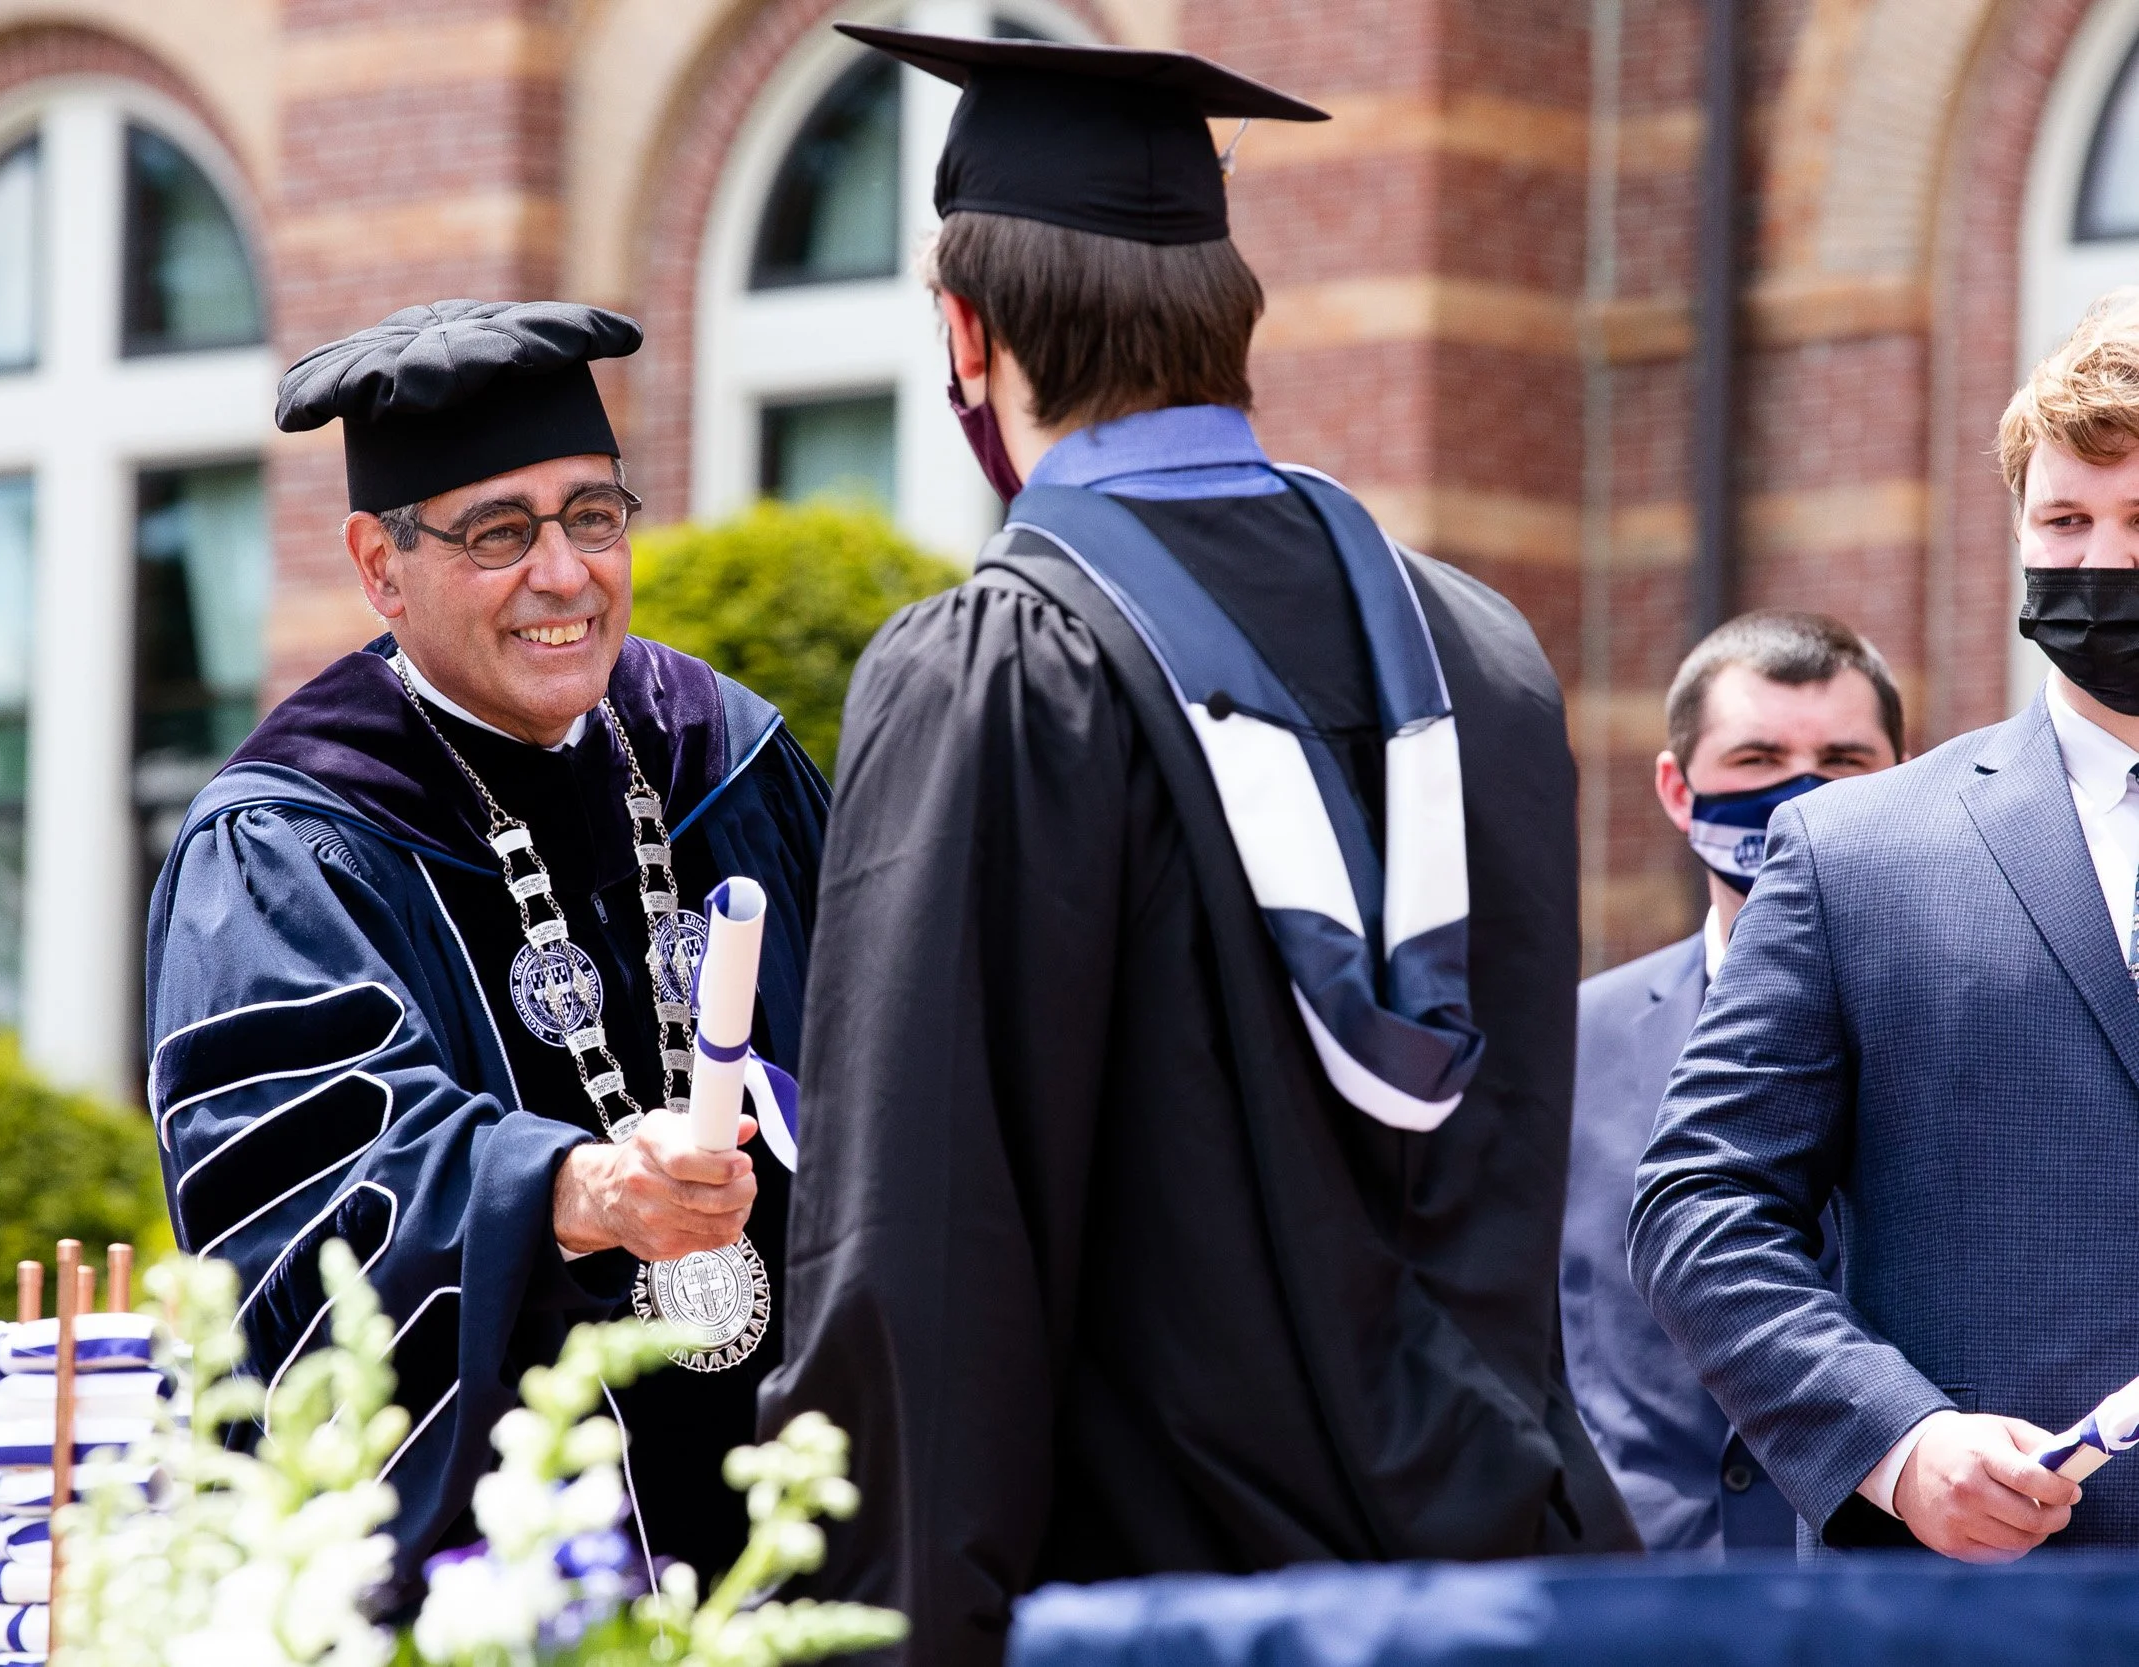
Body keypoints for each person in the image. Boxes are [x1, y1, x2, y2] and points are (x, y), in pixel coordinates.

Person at [758, 28, 1636, 1667]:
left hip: (1151, 1621)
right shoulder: (1482, 662)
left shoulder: (998, 670)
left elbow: (929, 1260)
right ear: (1231, 318)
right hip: (1504, 1588)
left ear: (966, 328)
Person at [143, 300, 829, 1592]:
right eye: (500, 532)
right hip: (489, 1586)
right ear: (377, 564)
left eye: (595, 514)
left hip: (794, 1550)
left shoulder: (725, 755)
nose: (566, 573)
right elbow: (303, 1206)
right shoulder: (294, 842)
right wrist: (574, 1187)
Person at [1633, 292, 2139, 1558]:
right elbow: (1701, 1203)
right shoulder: (1861, 848)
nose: (2097, 562)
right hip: (1988, 1602)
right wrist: (1898, 1443)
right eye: (2063, 520)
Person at [1562, 611, 1902, 1553]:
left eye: (1843, 760)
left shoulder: (1960, 1026)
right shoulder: (1570, 1041)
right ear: (1678, 788)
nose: (1798, 796)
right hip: (1630, 1598)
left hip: (1881, 1594)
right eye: (1756, 758)